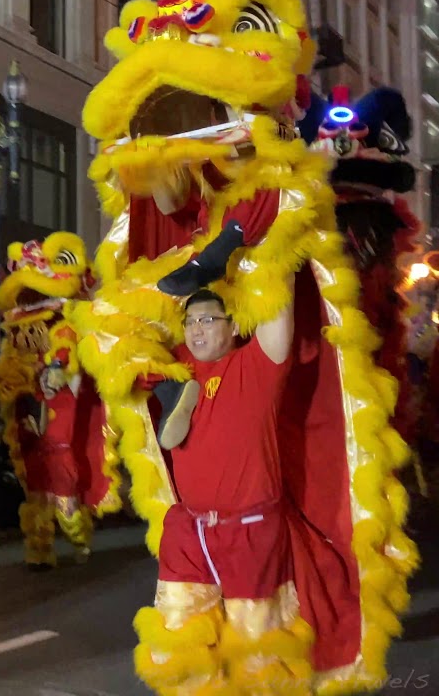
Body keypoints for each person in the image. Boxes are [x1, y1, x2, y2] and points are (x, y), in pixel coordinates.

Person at [141, 283, 299, 689]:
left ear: (232, 327)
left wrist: (262, 236)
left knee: (256, 654)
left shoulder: (258, 363)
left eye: (208, 320)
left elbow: (277, 301)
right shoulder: (175, 366)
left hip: (251, 530)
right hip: (188, 532)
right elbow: (120, 331)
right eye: (190, 322)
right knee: (181, 648)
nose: (197, 329)